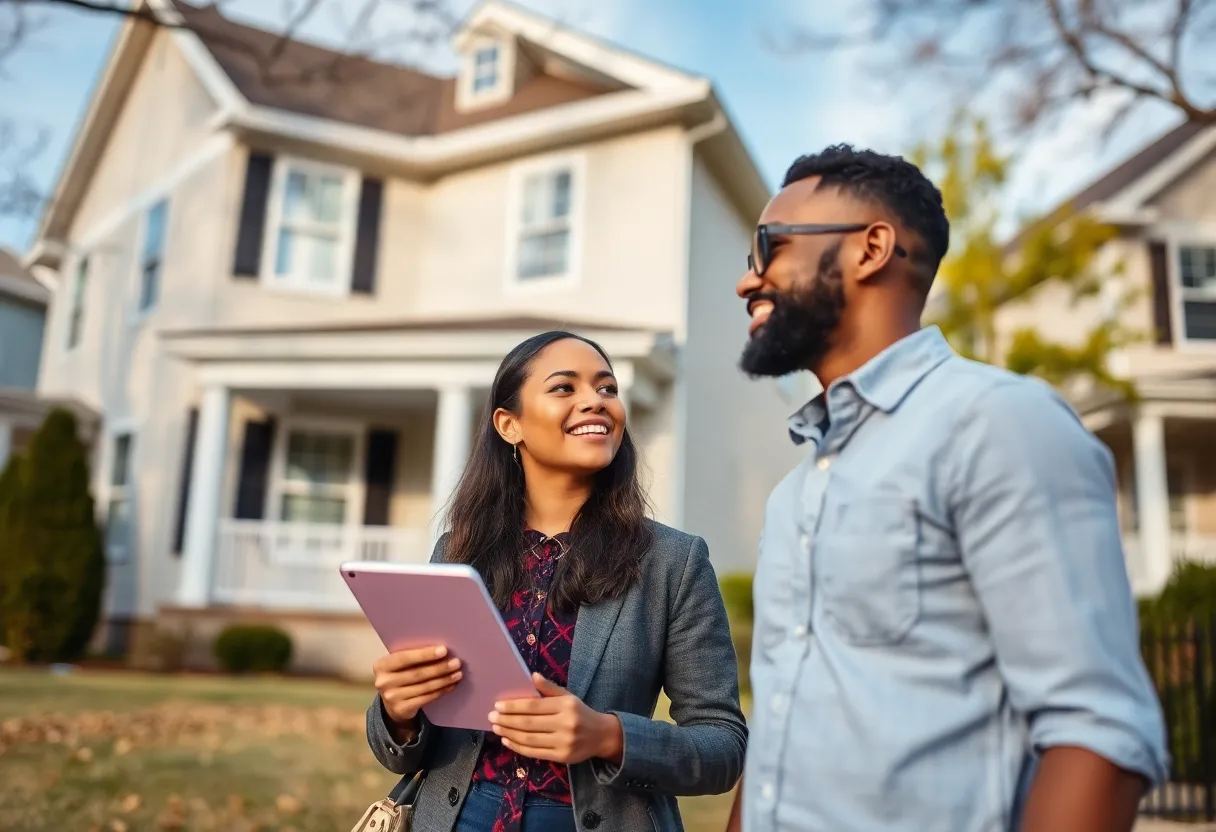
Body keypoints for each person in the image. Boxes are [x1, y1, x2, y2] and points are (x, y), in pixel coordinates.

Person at [725, 145, 1168, 832]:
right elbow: (781, 726)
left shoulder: (998, 424)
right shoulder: (792, 495)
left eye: (768, 248)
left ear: (872, 248)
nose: (746, 282)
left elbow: (1099, 736)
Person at [365, 330, 747, 832]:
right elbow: (401, 753)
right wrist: (397, 711)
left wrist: (608, 736)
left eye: (607, 389)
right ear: (509, 425)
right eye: (565, 388)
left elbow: (723, 745)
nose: (595, 401)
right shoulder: (458, 553)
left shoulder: (674, 562)